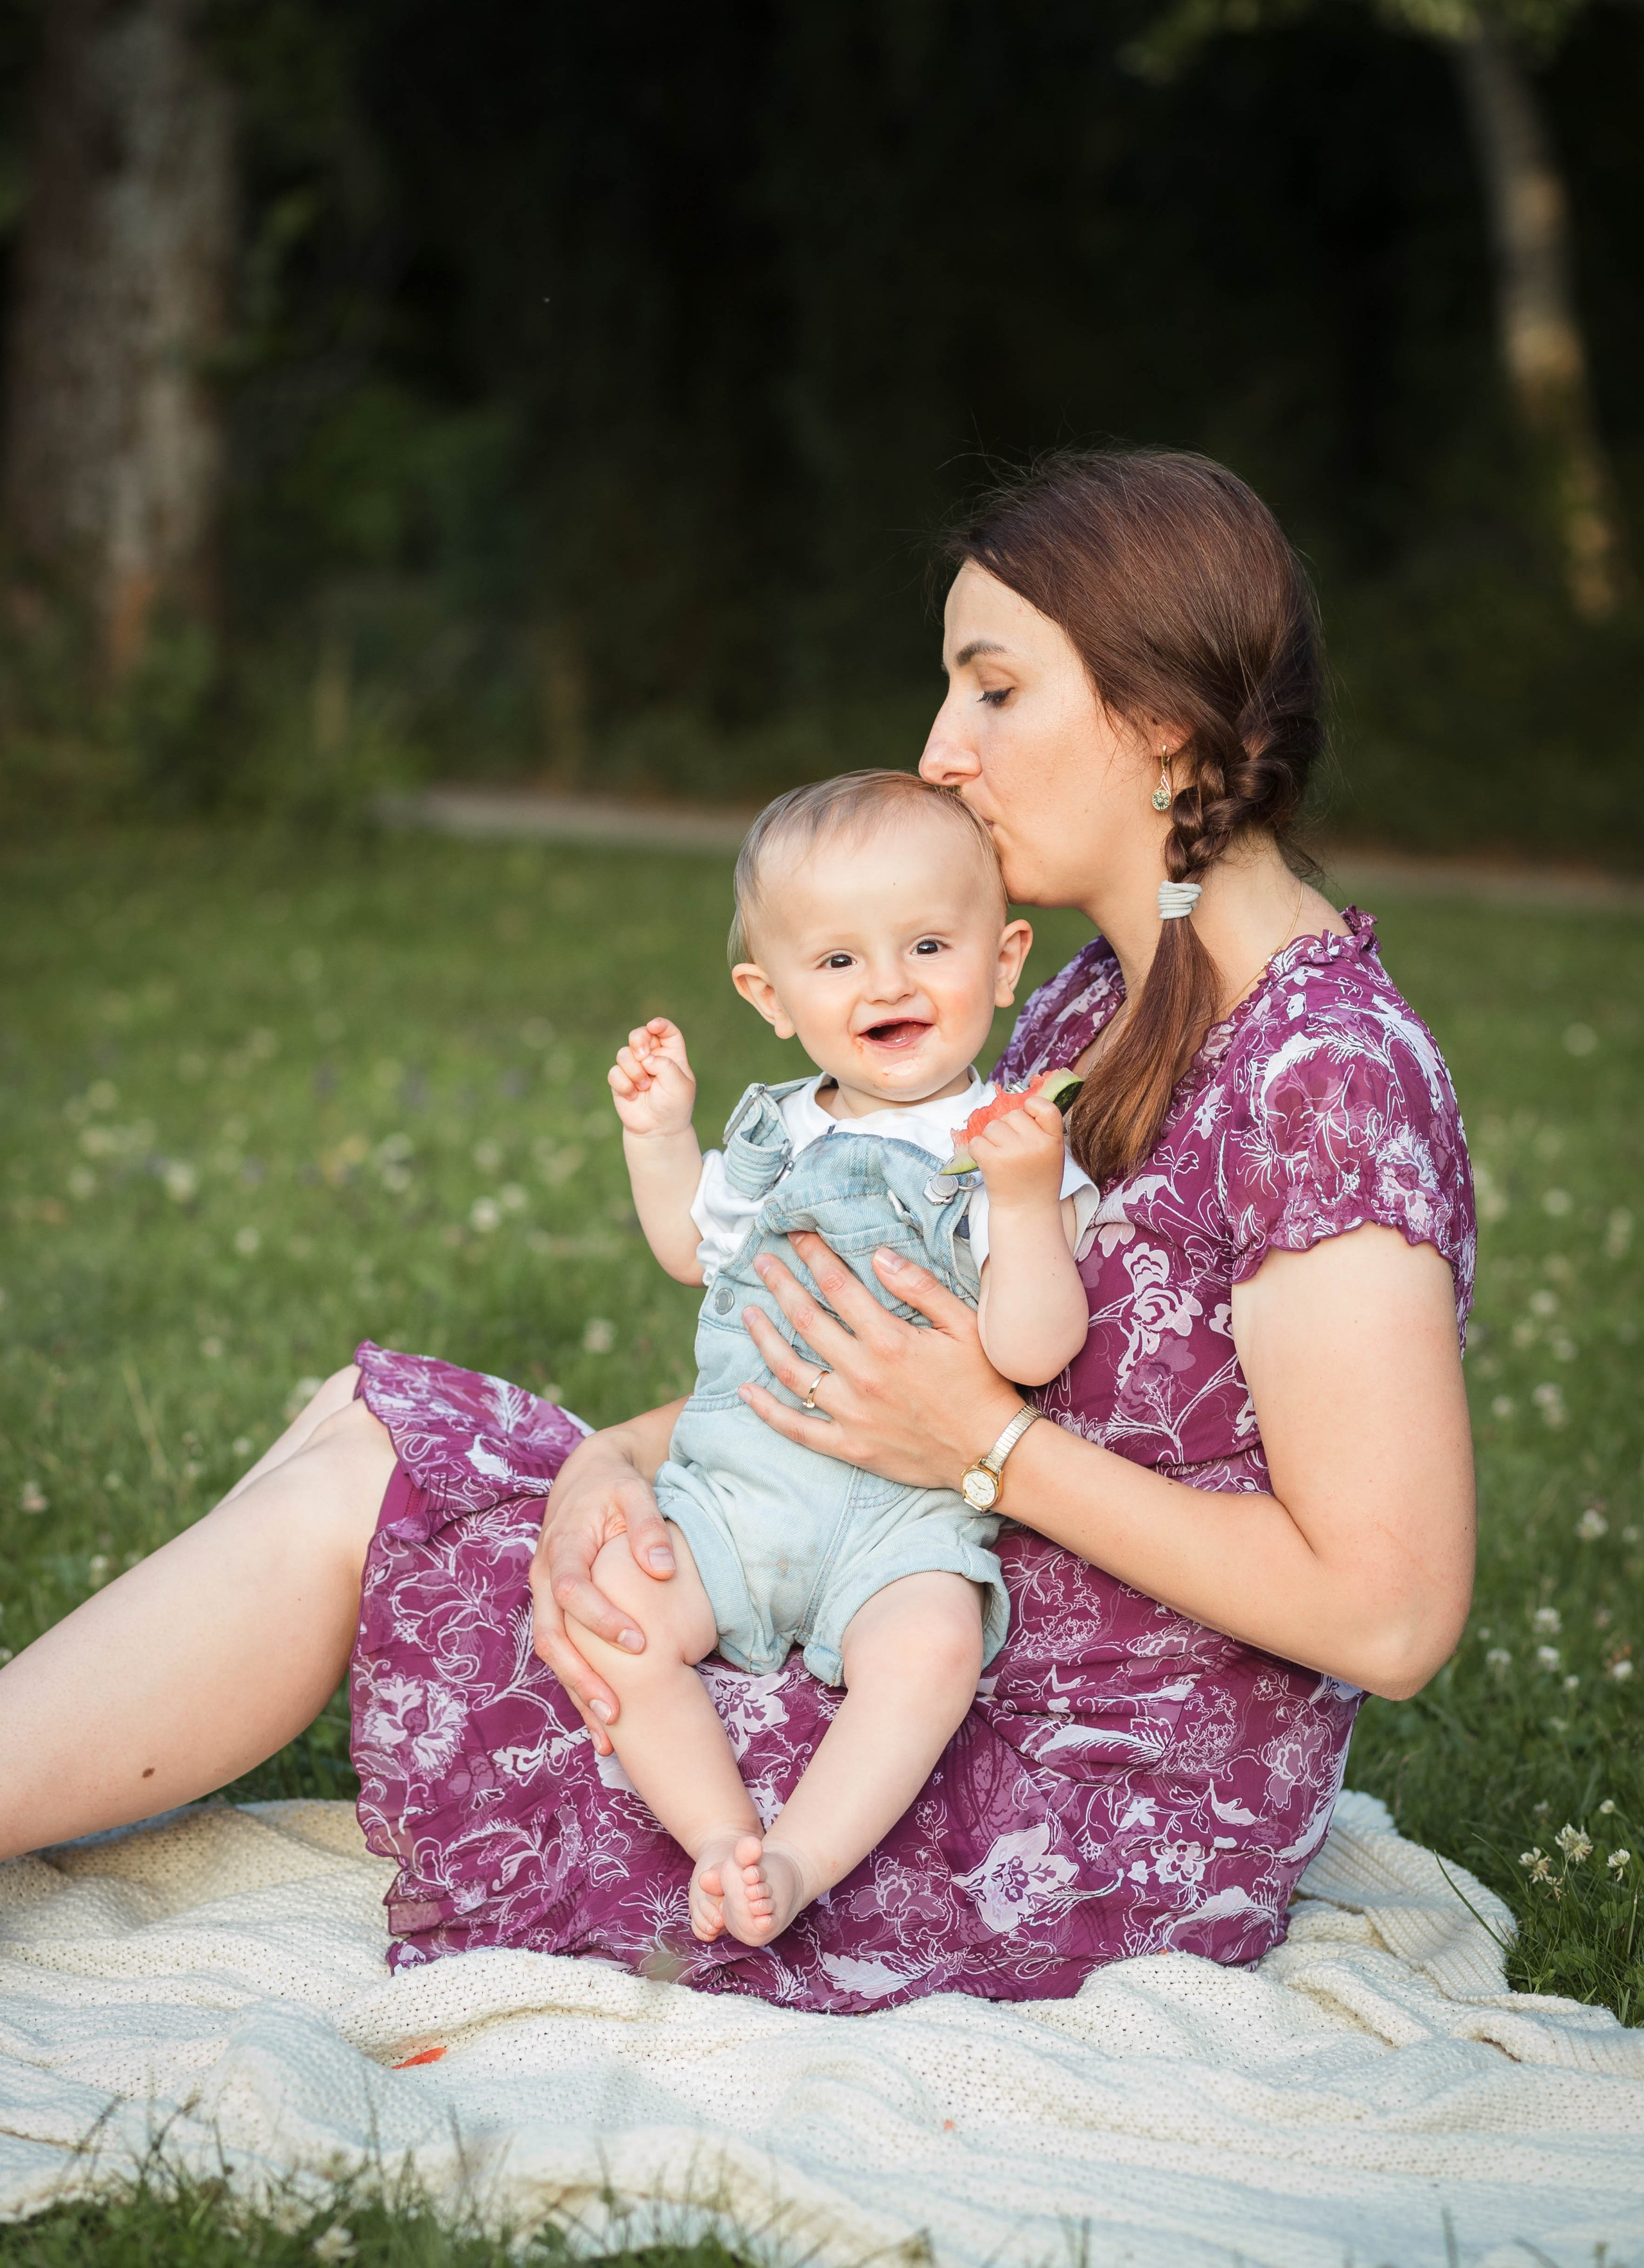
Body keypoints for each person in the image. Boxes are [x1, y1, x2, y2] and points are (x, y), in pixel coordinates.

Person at [0, 449, 1476, 2019]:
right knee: (374, 1428)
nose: (939, 751)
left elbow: (1385, 1612)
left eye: (990, 691)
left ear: (1162, 724)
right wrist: (607, 1464)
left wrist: (986, 1452)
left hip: (1045, 1782)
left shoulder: (1323, 1076)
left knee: (374, 1499)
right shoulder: (1097, 1002)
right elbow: (868, 1344)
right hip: (874, 1592)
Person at [594, 769, 1094, 1948]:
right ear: (769, 996)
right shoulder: (775, 1128)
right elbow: (689, 1250)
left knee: (932, 1650)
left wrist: (1025, 1208)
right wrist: (660, 1138)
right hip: (736, 1488)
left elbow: (1034, 1350)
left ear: (1006, 957)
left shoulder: (1007, 1145)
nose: (888, 983)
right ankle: (720, 1835)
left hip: (900, 1518)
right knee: (620, 1615)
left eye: (928, 943)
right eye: (838, 962)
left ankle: (803, 1857)